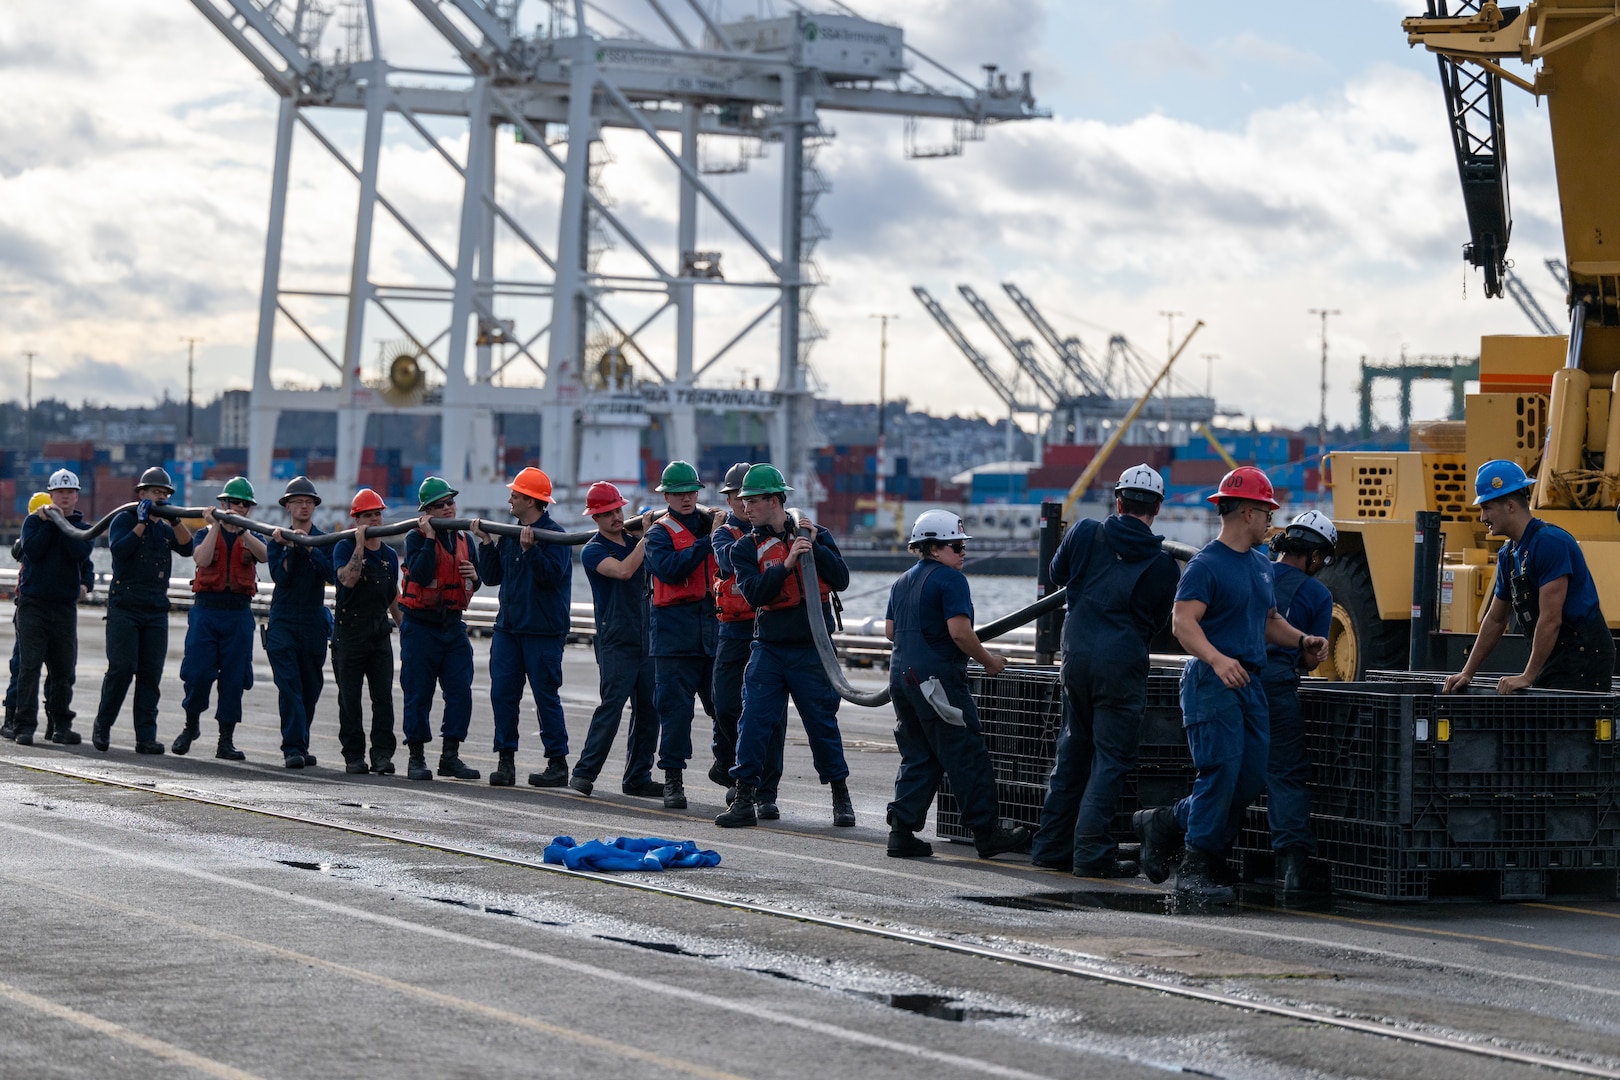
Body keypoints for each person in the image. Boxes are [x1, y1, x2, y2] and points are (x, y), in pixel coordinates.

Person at [1134, 467, 1327, 905]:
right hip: (1213, 681)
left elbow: (1269, 621)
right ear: (1244, 513)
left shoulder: (1260, 566)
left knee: (1249, 778)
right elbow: (1183, 624)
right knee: (1219, 773)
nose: (1270, 522)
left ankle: (1163, 822)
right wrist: (1218, 660)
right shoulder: (1206, 565)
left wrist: (1302, 640)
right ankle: (1198, 866)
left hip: (1250, 683)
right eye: (1265, 512)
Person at [1030, 464, 1181, 877]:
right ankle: (1092, 853)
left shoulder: (1082, 532)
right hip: (1122, 663)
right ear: (1157, 509)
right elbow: (1155, 622)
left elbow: (1056, 574)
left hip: (1075, 656)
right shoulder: (1164, 566)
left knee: (1072, 751)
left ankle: (1050, 847)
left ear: (1118, 500)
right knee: (1110, 760)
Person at [882, 509, 1031, 859]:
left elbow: (890, 632)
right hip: (937, 681)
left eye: (962, 545)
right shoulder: (951, 580)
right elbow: (960, 632)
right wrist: (990, 661)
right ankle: (987, 833)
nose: (962, 552)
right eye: (955, 546)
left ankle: (901, 832)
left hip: (901, 678)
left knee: (921, 754)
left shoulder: (901, 581)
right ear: (932, 548)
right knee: (966, 751)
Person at [715, 464, 855, 829]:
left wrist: (811, 548)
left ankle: (841, 798)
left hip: (813, 648)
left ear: (776, 500)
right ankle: (745, 798)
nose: (746, 508)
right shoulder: (745, 548)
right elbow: (755, 593)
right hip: (769, 648)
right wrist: (787, 563)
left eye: (753, 501)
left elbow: (841, 579)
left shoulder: (815, 533)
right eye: (744, 502)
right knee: (754, 722)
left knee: (822, 724)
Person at [1443, 460, 1614, 694]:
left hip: (1582, 658)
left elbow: (1551, 619)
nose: (1482, 517)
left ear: (1510, 506)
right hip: (1553, 656)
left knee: (1566, 728)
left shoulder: (1550, 543)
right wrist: (1467, 672)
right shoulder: (1509, 554)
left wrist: (1528, 676)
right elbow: (1495, 619)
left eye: (1487, 508)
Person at [472, 467, 571, 788]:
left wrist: (531, 552)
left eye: (515, 495)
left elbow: (551, 578)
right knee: (502, 695)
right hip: (509, 629)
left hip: (542, 631)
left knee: (545, 697)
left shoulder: (554, 535)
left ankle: (557, 763)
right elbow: (492, 578)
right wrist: (486, 543)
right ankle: (505, 761)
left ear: (531, 500)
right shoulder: (512, 534)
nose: (509, 499)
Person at [570, 481, 663, 799]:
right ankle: (584, 773)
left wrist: (648, 533)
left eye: (618, 510)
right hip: (615, 641)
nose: (616, 517)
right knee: (611, 707)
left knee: (650, 709)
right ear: (594, 518)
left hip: (646, 638)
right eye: (607, 513)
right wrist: (648, 536)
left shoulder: (634, 538)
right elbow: (624, 571)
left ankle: (638, 776)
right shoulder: (594, 550)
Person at [1260, 510, 1336, 893]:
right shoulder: (1318, 594)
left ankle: (1170, 826)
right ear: (1317, 556)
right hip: (1276, 687)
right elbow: (1309, 659)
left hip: (1231, 679)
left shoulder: (1255, 571)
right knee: (1286, 774)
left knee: (1227, 771)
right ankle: (1293, 868)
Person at [93, 467, 194, 754]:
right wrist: (140, 523)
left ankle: (146, 737)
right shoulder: (123, 519)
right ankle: (103, 725)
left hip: (155, 609)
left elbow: (187, 550)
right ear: (141, 494)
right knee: (122, 669)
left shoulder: (165, 528)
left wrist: (176, 522)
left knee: (151, 675)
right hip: (125, 606)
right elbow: (120, 551)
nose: (161, 497)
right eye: (156, 493)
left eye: (165, 494)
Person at [710, 462, 787, 818]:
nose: (743, 504)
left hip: (769, 628)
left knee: (769, 717)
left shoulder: (785, 531)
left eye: (750, 497)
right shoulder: (724, 534)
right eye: (737, 497)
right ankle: (730, 768)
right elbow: (728, 564)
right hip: (733, 630)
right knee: (724, 705)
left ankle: (764, 791)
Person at [643, 460, 721, 810]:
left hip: (712, 631)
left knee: (726, 707)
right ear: (667, 496)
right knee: (675, 713)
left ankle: (728, 768)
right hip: (674, 636)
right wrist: (708, 542)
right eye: (679, 492)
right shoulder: (658, 534)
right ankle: (673, 779)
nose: (687, 497)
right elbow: (670, 571)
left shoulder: (711, 525)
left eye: (691, 491)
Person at [177, 476, 269, 761]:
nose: (239, 508)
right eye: (234, 503)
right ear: (223, 503)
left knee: (234, 678)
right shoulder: (205, 533)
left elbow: (266, 557)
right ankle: (190, 726)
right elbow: (202, 560)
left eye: (245, 505)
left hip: (239, 613)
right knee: (197, 672)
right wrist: (217, 523)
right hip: (207, 609)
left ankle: (225, 740)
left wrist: (243, 533)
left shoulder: (254, 536)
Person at [399, 476, 481, 782]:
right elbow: (419, 573)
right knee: (418, 693)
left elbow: (474, 580)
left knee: (460, 690)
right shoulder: (415, 537)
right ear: (427, 512)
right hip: (421, 627)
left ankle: (450, 756)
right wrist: (431, 538)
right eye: (440, 505)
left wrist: (476, 573)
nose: (448, 508)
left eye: (450, 503)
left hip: (453, 626)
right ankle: (416, 758)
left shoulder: (464, 539)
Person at [10, 470, 96, 747]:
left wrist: (63, 522)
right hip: (33, 605)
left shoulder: (83, 528)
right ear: (51, 494)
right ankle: (24, 726)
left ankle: (60, 725)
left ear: (76, 496)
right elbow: (33, 551)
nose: (65, 497)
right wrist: (49, 523)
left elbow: (79, 554)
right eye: (60, 492)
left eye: (70, 492)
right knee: (29, 666)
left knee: (63, 670)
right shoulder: (33, 523)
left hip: (64, 607)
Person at [266, 476, 336, 769]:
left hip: (312, 621)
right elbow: (280, 577)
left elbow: (332, 575)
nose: (305, 506)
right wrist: (290, 548)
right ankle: (291, 746)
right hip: (283, 620)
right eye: (299, 502)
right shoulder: (276, 540)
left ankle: (301, 742)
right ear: (288, 506)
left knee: (311, 686)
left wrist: (310, 548)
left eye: (309, 502)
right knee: (290, 685)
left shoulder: (324, 539)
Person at [331, 489, 401, 775]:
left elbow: (393, 596)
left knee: (383, 696)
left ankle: (383, 754)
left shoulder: (390, 555)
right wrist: (359, 544)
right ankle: (354, 755)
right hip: (349, 632)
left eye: (377, 514)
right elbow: (348, 580)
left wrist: (404, 628)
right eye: (368, 515)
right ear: (356, 520)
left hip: (378, 631)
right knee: (350, 697)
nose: (374, 519)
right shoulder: (343, 547)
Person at [3, 492, 70, 742]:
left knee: (56, 667)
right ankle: (13, 718)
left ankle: (53, 721)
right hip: (29, 609)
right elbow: (20, 551)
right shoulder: (29, 537)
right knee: (23, 665)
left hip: (49, 608)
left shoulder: (61, 533)